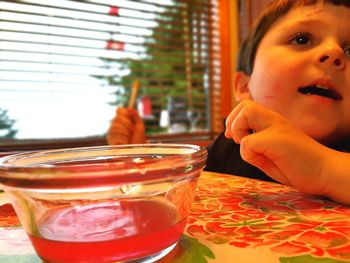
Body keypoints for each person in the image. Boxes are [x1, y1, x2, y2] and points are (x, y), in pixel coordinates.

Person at [107, 0, 350, 205]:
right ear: (245, 87)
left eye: (349, 50)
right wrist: (139, 157)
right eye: (301, 39)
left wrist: (324, 169)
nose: (335, 52)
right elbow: (176, 191)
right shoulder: (230, 146)